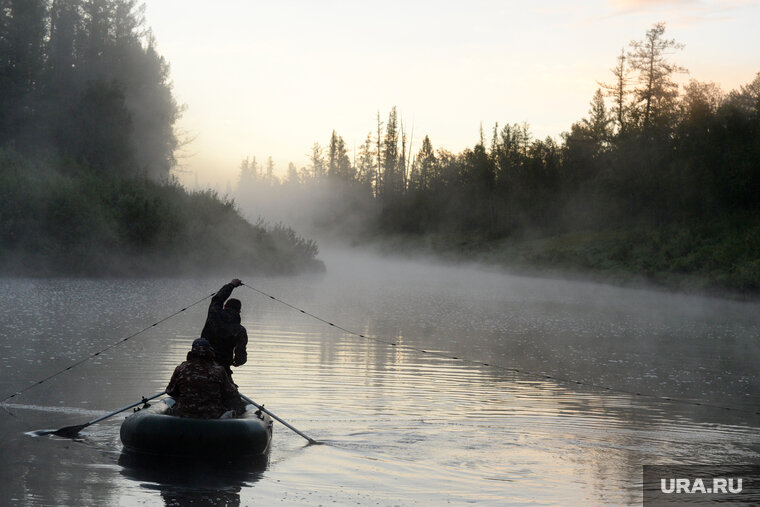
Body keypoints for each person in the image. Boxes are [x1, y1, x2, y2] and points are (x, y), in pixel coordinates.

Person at [166, 338, 243, 419]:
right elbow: (230, 394)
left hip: (184, 415)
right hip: (213, 416)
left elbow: (171, 392)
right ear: (210, 351)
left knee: (169, 410)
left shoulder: (181, 368)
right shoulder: (219, 370)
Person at [201, 278, 248, 380]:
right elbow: (241, 357)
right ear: (239, 312)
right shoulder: (240, 331)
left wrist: (231, 285)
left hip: (202, 365)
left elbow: (218, 298)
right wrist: (236, 362)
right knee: (231, 393)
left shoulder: (214, 314)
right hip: (223, 370)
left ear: (225, 306)